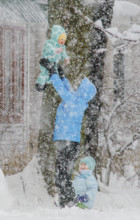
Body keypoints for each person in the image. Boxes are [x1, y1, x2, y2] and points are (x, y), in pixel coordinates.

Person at [40, 58, 97, 208]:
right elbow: (67, 88)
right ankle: (67, 201)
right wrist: (62, 75)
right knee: (62, 173)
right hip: (67, 141)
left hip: (68, 143)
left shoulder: (76, 103)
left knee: (62, 174)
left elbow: (62, 91)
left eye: (80, 86)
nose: (77, 87)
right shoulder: (78, 99)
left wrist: (53, 74)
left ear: (84, 91)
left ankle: (68, 202)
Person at [35, 25, 70, 92]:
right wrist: (55, 50)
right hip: (46, 61)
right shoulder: (49, 43)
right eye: (61, 39)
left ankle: (47, 83)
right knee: (44, 73)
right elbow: (49, 49)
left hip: (54, 64)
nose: (63, 41)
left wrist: (66, 58)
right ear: (56, 37)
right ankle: (39, 84)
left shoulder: (62, 47)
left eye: (64, 40)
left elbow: (64, 53)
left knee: (54, 75)